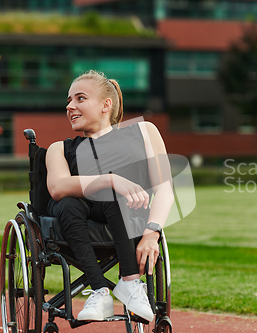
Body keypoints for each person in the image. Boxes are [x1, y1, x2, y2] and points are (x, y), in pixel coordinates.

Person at [45, 70, 174, 322]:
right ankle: (99, 290)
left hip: (129, 218)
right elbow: (58, 188)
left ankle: (130, 282)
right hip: (76, 217)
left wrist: (152, 232)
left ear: (107, 105)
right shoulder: (59, 148)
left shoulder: (145, 131)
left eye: (80, 98)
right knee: (69, 201)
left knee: (115, 196)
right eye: (69, 100)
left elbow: (165, 190)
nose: (70, 106)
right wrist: (111, 179)